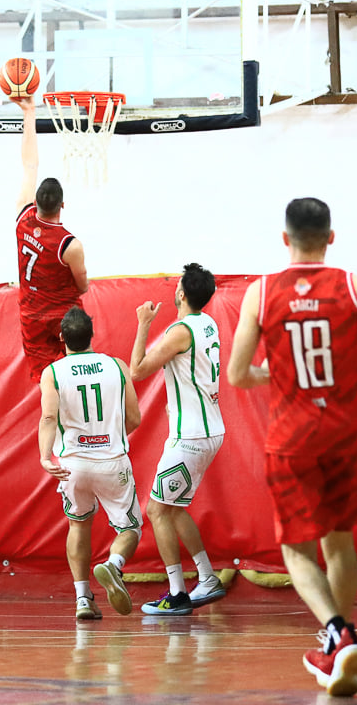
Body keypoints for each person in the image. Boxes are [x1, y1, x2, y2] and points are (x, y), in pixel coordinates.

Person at [227, 198, 357, 697]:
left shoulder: (261, 293)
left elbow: (238, 373)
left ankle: (336, 632)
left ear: (286, 240)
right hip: (344, 436)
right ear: (331, 238)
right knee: (339, 541)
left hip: (292, 439)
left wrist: (272, 374)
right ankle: (334, 648)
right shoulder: (354, 284)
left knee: (295, 550)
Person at [129, 263, 228, 616]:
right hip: (210, 431)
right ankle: (207, 577)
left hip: (191, 436)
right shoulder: (209, 324)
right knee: (173, 508)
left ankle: (177, 593)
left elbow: (137, 371)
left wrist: (143, 324)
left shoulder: (180, 330)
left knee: (156, 510)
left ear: (182, 293)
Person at [38, 306, 142, 620]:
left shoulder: (53, 372)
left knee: (78, 525)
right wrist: (107, 437)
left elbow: (47, 417)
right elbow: (134, 418)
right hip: (112, 461)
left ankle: (83, 598)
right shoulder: (116, 366)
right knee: (131, 528)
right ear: (92, 335)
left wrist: (45, 457)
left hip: (73, 466)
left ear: (61, 338)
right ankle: (114, 565)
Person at [13, 97, 89, 383]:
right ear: (63, 205)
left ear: (36, 202)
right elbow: (81, 286)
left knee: (49, 385)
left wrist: (29, 113)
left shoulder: (23, 216)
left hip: (31, 315)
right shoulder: (69, 244)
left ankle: (54, 423)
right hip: (64, 316)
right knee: (76, 376)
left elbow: (29, 164)